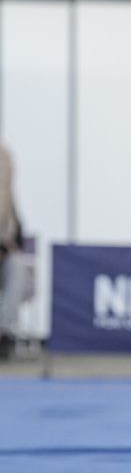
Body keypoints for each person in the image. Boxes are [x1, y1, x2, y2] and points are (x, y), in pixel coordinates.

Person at [0, 143, 26, 360]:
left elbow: (17, 236)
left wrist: (7, 245)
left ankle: (5, 334)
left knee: (17, 265)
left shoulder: (8, 204)